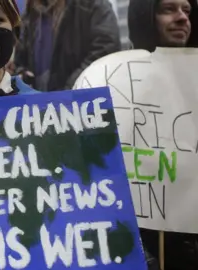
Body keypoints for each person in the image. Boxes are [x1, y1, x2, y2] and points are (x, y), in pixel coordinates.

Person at [128, 1, 198, 269]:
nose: (182, 18)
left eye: (187, 11)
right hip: (148, 236)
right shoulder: (120, 80)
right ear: (145, 17)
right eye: (169, 9)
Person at [14, 0, 121, 91]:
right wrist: (22, 75)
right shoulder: (31, 12)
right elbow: (19, 60)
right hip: (42, 105)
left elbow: (106, 50)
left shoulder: (90, 5)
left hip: (82, 102)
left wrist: (72, 88)